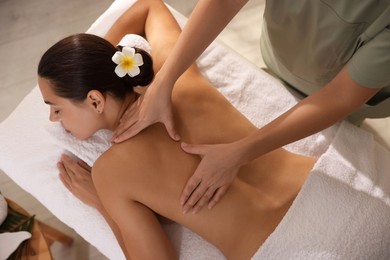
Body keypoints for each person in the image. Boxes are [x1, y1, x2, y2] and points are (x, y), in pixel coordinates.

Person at [37, 0, 317, 258]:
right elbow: (150, 6)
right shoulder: (178, 79)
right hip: (322, 192)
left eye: (57, 108)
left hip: (284, 251)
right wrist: (92, 68)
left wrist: (100, 202)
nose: (53, 118)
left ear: (95, 100)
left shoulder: (109, 174)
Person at [110, 0, 389, 213]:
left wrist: (241, 153)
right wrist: (164, 80)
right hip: (286, 56)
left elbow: (341, 97)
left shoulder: (109, 176)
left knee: (343, 130)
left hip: (346, 95)